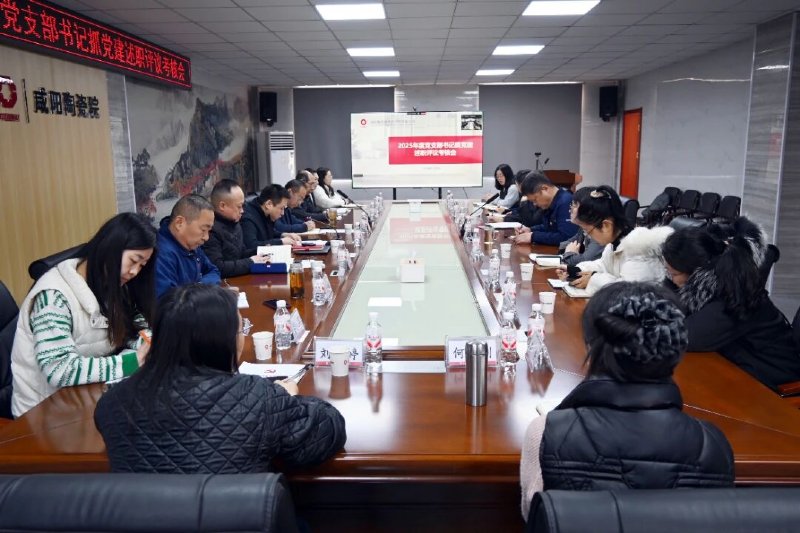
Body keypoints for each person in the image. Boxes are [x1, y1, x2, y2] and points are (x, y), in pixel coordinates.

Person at [520, 282, 735, 520]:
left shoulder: (546, 432)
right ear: (673, 347)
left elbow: (536, 515)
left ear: (591, 346)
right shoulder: (713, 444)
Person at [94, 284, 347, 473]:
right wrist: (286, 398)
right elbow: (326, 432)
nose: (242, 337)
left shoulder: (112, 403)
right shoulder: (257, 397)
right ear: (220, 341)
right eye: (240, 330)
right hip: (239, 521)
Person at [11, 213, 156, 416]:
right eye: (134, 261)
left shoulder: (111, 282)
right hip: (42, 412)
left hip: (84, 397)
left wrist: (148, 343)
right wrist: (131, 361)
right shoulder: (53, 297)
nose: (135, 272)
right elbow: (59, 369)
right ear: (110, 248)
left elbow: (132, 324)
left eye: (142, 265)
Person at [661, 217, 800, 391]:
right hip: (741, 368)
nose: (671, 279)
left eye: (673, 274)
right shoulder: (713, 284)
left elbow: (684, 336)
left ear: (696, 273)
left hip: (774, 379)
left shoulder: (736, 294)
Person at [557, 186, 672, 296]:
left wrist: (593, 278)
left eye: (588, 231)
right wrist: (577, 271)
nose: (588, 236)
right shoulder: (614, 243)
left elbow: (629, 290)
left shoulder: (639, 251)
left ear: (606, 226)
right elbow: (603, 265)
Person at [155, 194, 221, 298]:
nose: (206, 237)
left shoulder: (190, 244)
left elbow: (213, 271)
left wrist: (199, 288)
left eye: (209, 231)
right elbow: (168, 302)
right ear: (179, 223)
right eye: (203, 230)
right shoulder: (161, 255)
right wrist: (199, 290)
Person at [202, 179, 269, 278]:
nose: (242, 211)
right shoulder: (210, 229)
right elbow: (217, 267)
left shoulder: (234, 223)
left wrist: (261, 251)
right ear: (222, 206)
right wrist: (250, 262)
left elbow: (240, 253)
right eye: (239, 206)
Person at [512, 173, 579, 245]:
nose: (535, 204)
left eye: (535, 200)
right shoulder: (553, 201)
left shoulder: (565, 202)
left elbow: (566, 237)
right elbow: (549, 227)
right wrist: (530, 229)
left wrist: (533, 236)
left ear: (544, 189)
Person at [241, 184, 300, 252]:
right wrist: (281, 242)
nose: (283, 213)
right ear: (269, 204)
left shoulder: (266, 213)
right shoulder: (248, 218)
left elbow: (268, 233)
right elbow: (251, 246)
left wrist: (283, 235)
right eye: (281, 208)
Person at [558, 186, 605, 267]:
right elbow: (564, 245)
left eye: (574, 205)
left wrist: (569, 253)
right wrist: (570, 252)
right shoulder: (584, 228)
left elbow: (585, 261)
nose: (569, 210)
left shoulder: (600, 232)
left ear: (587, 209)